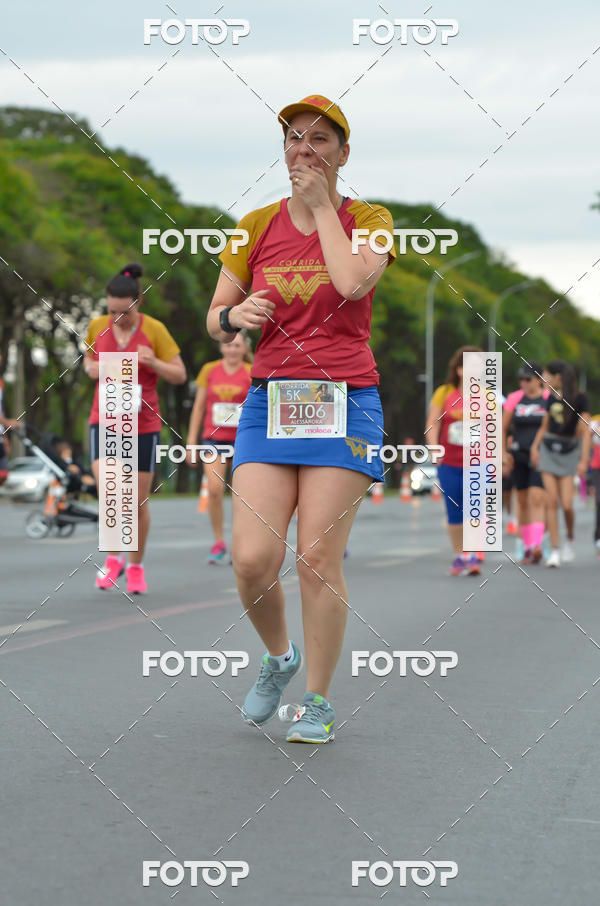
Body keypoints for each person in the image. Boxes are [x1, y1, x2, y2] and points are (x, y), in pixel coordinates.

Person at [206, 94, 396, 743]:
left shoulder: (368, 219)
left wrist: (320, 211)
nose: (304, 150)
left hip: (346, 399)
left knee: (316, 555)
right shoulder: (254, 224)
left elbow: (350, 285)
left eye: (319, 139)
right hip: (271, 401)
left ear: (343, 153)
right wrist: (237, 317)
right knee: (252, 559)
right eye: (294, 138)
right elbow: (215, 316)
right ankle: (279, 657)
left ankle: (316, 700)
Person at [84, 264, 186, 593]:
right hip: (106, 419)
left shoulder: (154, 330)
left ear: (138, 301)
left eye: (123, 312)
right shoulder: (97, 326)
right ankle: (113, 557)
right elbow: (87, 365)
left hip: (143, 424)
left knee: (137, 502)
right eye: (111, 311)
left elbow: (180, 375)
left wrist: (153, 362)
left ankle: (136, 565)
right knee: (111, 490)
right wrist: (98, 368)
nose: (116, 318)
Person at [186, 332, 252, 563]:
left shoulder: (251, 372)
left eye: (237, 346)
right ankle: (218, 541)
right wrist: (191, 442)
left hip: (243, 439)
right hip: (214, 439)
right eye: (229, 345)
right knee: (214, 490)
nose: (233, 350)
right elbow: (199, 407)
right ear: (221, 348)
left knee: (241, 495)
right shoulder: (209, 370)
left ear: (244, 349)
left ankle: (239, 543)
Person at [425, 346, 483, 576]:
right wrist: (433, 448)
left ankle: (470, 556)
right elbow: (433, 423)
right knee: (454, 510)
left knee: (473, 509)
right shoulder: (444, 392)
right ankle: (459, 555)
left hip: (477, 462)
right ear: (459, 369)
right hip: (449, 462)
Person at [530, 360, 591, 567]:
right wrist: (534, 447)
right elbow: (544, 426)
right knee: (551, 501)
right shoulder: (550, 398)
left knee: (566, 504)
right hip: (548, 449)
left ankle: (570, 536)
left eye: (547, 375)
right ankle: (554, 550)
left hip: (568, 451)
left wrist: (584, 460)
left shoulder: (580, 398)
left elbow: (586, 432)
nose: (544, 379)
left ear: (558, 377)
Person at [502, 363, 549, 564]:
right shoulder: (515, 398)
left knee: (536, 497)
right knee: (522, 500)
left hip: (541, 455)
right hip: (518, 454)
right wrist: (503, 452)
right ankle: (526, 545)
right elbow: (502, 428)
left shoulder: (548, 398)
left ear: (538, 379)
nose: (524, 383)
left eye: (528, 379)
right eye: (521, 379)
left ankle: (537, 544)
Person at [587, 414, 600, 555]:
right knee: (599, 502)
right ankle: (598, 537)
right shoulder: (595, 421)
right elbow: (588, 442)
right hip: (597, 467)